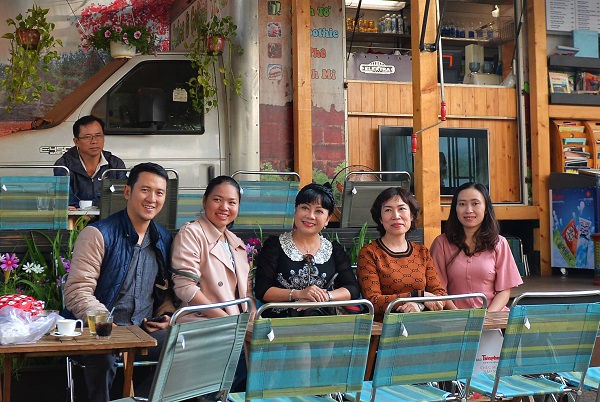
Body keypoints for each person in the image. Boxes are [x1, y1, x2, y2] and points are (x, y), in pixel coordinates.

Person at [63, 162, 175, 402]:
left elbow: (165, 292)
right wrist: (104, 323)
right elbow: (77, 291)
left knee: (183, 342)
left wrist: (166, 315)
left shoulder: (163, 238)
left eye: (159, 192)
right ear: (127, 192)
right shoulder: (98, 234)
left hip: (142, 332)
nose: (152, 199)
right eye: (145, 190)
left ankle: (141, 399)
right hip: (101, 332)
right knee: (103, 354)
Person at [170, 176, 255, 397]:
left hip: (234, 327)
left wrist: (252, 314)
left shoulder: (236, 243)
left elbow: (246, 291)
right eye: (217, 199)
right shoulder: (192, 233)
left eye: (232, 202)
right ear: (204, 200)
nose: (224, 207)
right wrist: (228, 322)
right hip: (203, 324)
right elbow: (186, 288)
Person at [254, 183, 360, 318]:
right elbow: (262, 290)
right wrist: (299, 294)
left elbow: (352, 288)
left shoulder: (334, 250)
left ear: (327, 219)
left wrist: (323, 297)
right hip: (280, 323)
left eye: (319, 211)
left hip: (325, 323)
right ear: (295, 210)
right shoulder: (274, 246)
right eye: (305, 208)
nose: (310, 216)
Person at [430, 182, 523, 312]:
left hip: (493, 315)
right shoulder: (441, 243)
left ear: (486, 208)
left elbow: (504, 291)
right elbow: (438, 289)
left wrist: (486, 317)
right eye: (462, 204)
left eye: (475, 203)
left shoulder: (499, 243)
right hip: (454, 317)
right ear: (455, 209)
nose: (468, 210)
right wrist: (459, 316)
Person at [357, 187, 446, 321]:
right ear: (380, 218)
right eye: (388, 210)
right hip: (383, 327)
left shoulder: (422, 251)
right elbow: (373, 301)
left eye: (402, 209)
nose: (396, 216)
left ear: (412, 215)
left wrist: (418, 305)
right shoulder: (369, 253)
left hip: (423, 324)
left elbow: (440, 295)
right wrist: (417, 296)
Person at [54, 115, 127, 209]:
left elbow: (122, 196)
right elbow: (66, 199)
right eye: (87, 137)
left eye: (98, 136)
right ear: (76, 141)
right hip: (77, 216)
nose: (94, 141)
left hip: (108, 216)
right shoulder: (63, 165)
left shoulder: (115, 163)